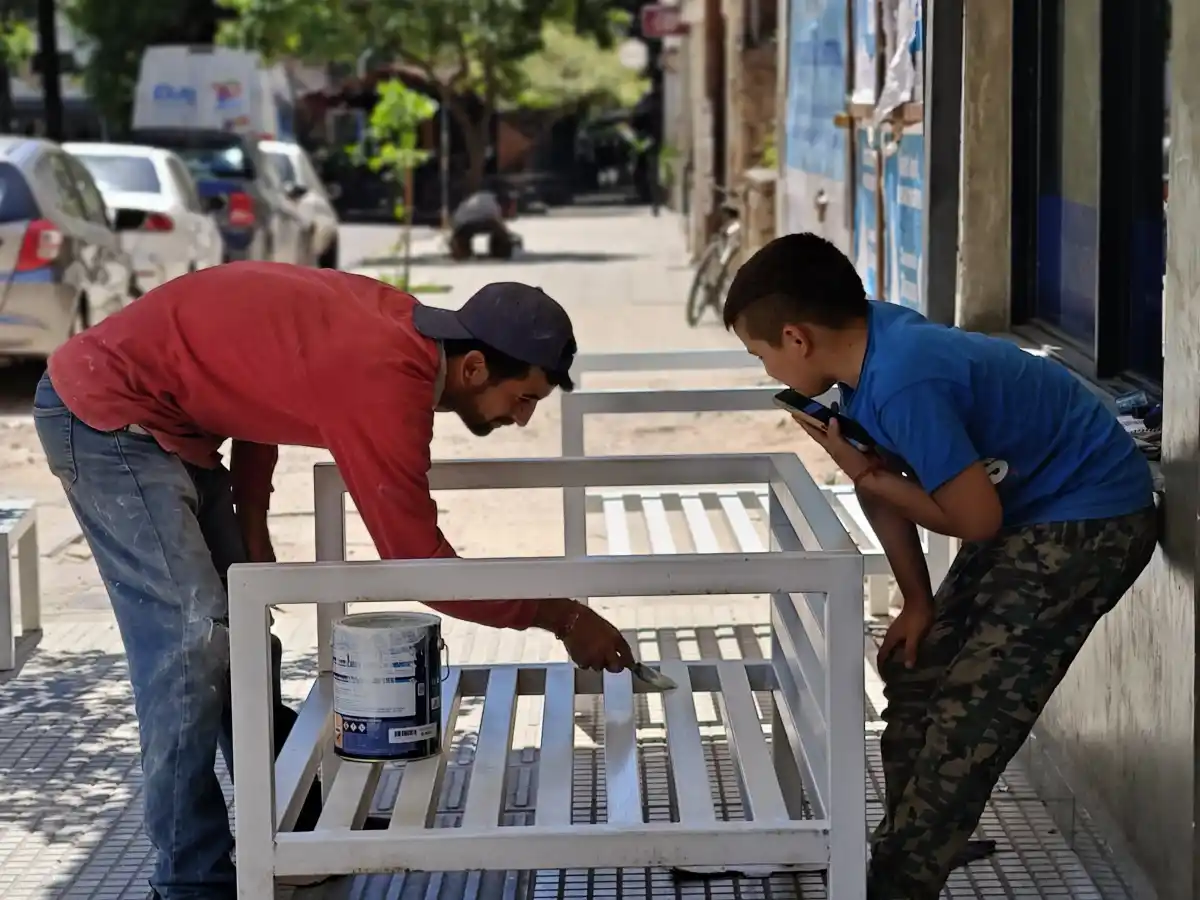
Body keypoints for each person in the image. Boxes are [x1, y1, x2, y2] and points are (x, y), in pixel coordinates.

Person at [34, 263, 633, 900]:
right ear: (476, 367)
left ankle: (294, 819)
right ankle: (190, 878)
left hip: (178, 425)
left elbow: (268, 383)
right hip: (106, 412)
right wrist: (562, 616)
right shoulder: (385, 377)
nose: (521, 420)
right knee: (192, 640)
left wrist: (253, 517)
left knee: (241, 636)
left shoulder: (401, 334)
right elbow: (420, 565)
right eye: (525, 399)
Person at [721, 233, 1157, 900]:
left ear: (796, 337)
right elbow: (897, 489)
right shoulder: (864, 363)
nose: (768, 373)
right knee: (915, 663)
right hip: (1028, 513)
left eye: (762, 355)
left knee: (968, 717)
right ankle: (916, 844)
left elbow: (972, 519)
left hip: (1090, 519)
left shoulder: (903, 381)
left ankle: (903, 874)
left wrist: (864, 471)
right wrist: (916, 602)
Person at [449, 180, 520, 260]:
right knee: (495, 227)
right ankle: (500, 249)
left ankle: (462, 247)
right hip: (465, 223)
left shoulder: (488, 198)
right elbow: (497, 223)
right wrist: (508, 238)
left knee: (493, 226)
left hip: (461, 222)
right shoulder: (493, 204)